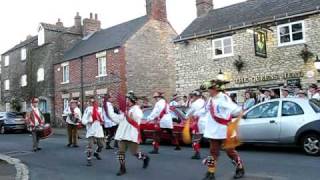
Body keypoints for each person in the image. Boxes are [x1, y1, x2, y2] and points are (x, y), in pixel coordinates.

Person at [199, 79, 245, 180]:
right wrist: (196, 114)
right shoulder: (211, 99)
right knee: (212, 153)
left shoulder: (223, 98)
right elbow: (205, 110)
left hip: (225, 130)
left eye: (209, 89)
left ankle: (240, 168)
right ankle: (210, 172)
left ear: (215, 89)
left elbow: (235, 109)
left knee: (230, 152)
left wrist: (239, 112)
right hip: (213, 131)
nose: (208, 91)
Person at [107, 92, 150, 176]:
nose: (127, 101)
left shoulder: (136, 109)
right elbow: (117, 119)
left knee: (135, 153)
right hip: (123, 135)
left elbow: (138, 117)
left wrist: (130, 114)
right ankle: (122, 168)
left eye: (128, 99)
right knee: (120, 152)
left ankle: (145, 158)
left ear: (132, 101)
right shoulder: (125, 110)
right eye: (126, 99)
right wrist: (109, 108)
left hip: (132, 135)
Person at [81, 97, 105, 166]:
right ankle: (89, 159)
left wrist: (102, 122)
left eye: (94, 102)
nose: (93, 103)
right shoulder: (88, 110)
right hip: (91, 130)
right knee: (90, 145)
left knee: (101, 145)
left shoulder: (100, 109)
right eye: (91, 102)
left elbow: (102, 118)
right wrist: (88, 121)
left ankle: (96, 153)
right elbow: (83, 120)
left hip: (98, 130)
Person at [186, 90, 207, 160]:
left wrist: (186, 117)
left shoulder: (195, 104)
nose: (192, 97)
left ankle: (197, 153)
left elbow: (189, 113)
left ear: (196, 96)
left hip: (199, 123)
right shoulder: (204, 102)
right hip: (206, 123)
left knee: (195, 140)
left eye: (193, 96)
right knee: (212, 141)